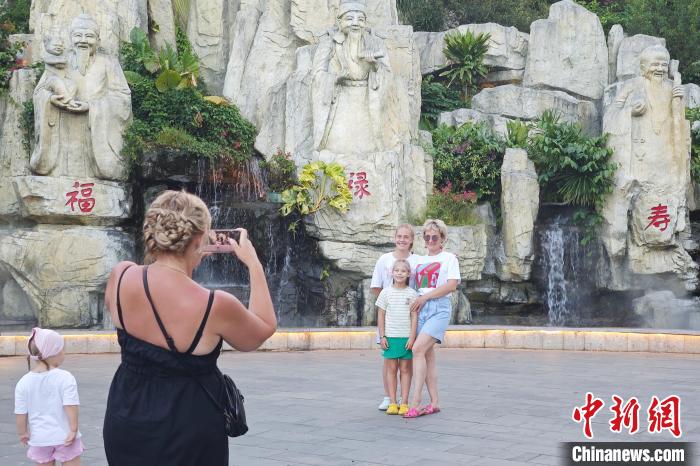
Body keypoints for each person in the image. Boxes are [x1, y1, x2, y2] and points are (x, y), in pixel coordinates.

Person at [102, 190, 276, 465]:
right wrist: (253, 262)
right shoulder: (214, 304)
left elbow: (144, 297)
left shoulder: (121, 276)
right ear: (198, 239)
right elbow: (262, 328)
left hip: (126, 418)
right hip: (188, 428)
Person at [404, 219, 460, 418]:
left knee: (417, 349)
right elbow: (401, 270)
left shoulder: (449, 258)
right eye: (426, 237)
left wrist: (425, 297)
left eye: (434, 237)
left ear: (442, 238)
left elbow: (451, 285)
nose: (430, 240)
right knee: (428, 356)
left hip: (438, 308)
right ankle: (435, 402)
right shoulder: (418, 260)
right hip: (420, 309)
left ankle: (416, 402)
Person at [15, 328, 83, 466]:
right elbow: (70, 405)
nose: (64, 353)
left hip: (39, 438)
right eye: (62, 349)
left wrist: (22, 433)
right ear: (55, 352)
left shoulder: (23, 382)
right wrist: (73, 429)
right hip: (65, 435)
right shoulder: (65, 377)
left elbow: (21, 412)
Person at [370, 224, 416, 411]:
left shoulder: (417, 260)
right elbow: (376, 286)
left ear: (411, 240)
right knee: (388, 364)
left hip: (407, 324)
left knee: (405, 366)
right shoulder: (384, 259)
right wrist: (390, 301)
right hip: (389, 325)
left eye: (406, 237)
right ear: (394, 237)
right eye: (399, 236)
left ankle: (405, 400)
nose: (402, 240)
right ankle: (389, 398)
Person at [376, 259, 418, 416]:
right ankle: (393, 403)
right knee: (391, 369)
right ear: (391, 273)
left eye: (403, 271)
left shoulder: (412, 293)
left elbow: (414, 316)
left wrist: (412, 337)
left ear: (409, 274)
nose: (400, 273)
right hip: (390, 337)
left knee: (406, 369)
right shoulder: (385, 292)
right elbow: (381, 315)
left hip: (406, 338)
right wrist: (382, 336)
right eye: (397, 270)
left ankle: (404, 402)